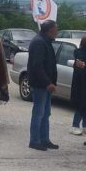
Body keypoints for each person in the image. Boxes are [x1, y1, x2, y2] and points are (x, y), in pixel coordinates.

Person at [27, 21, 59, 150]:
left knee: (46, 114)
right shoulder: (39, 42)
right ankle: (35, 140)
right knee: (39, 113)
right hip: (40, 84)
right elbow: (37, 66)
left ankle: (44, 139)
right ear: (50, 30)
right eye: (56, 29)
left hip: (45, 84)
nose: (57, 31)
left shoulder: (45, 41)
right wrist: (48, 82)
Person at [69, 35, 86, 136]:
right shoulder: (80, 53)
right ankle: (75, 125)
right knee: (80, 105)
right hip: (80, 84)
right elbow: (79, 69)